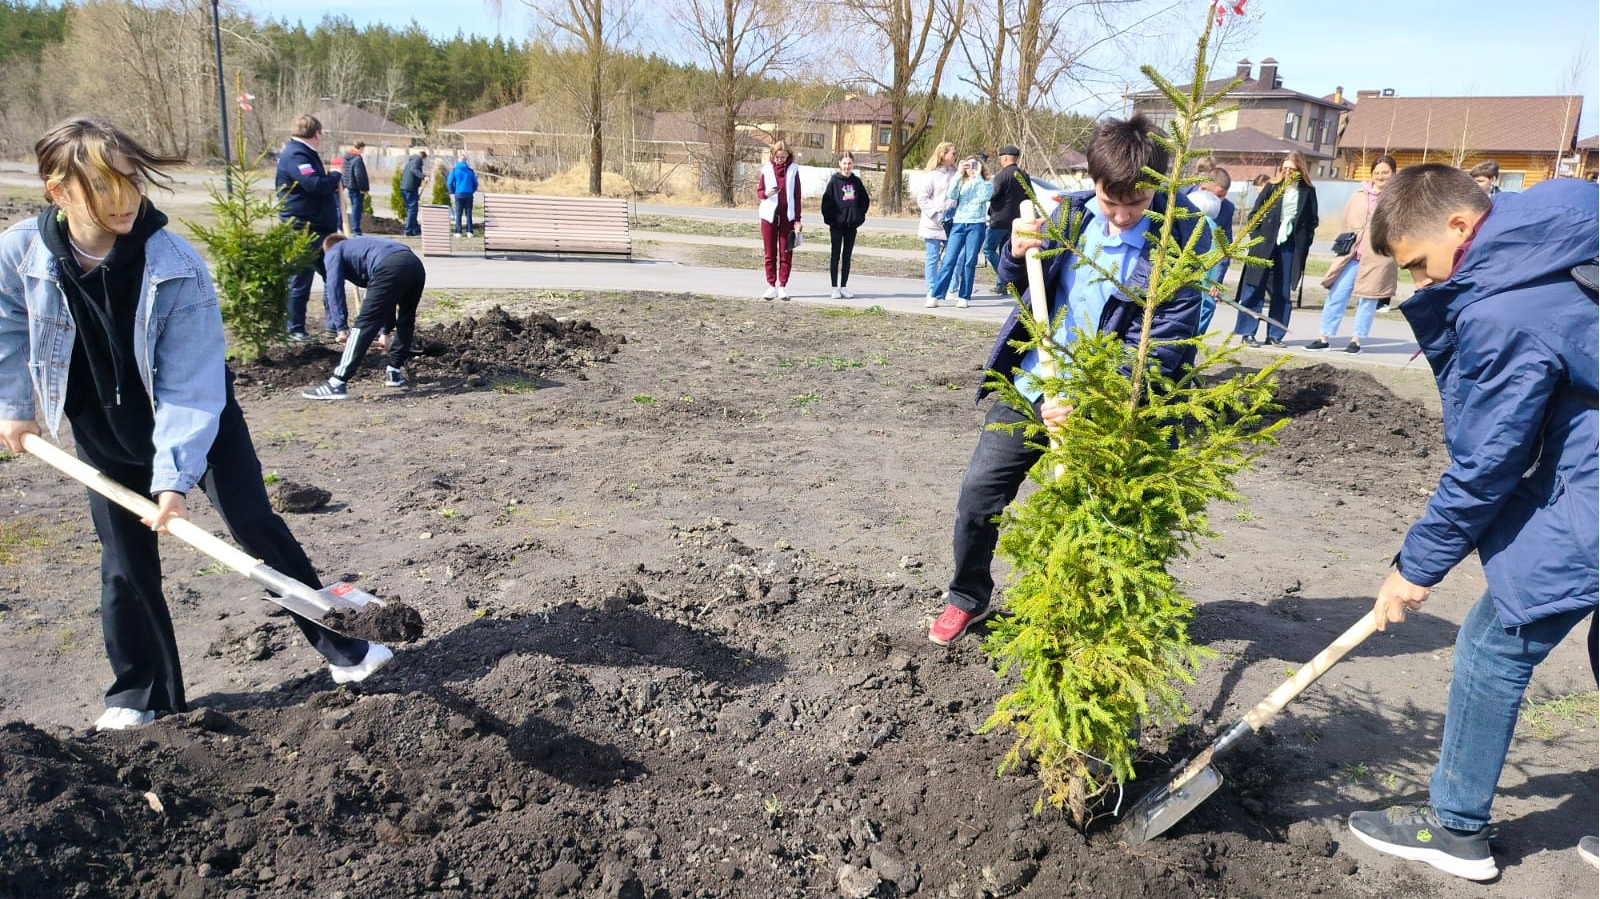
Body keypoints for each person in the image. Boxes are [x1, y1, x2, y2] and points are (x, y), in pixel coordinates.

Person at [0, 118, 395, 731]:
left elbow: (190, 386)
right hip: (99, 427)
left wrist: (174, 480)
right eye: (103, 189)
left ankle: (347, 648)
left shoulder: (174, 263)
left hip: (197, 421)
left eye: (130, 183)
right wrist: (14, 406)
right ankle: (140, 695)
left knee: (254, 526)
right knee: (124, 561)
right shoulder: (19, 250)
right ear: (59, 192)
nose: (125, 201)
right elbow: (10, 326)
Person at [1345, 164, 1598, 881]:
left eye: (1420, 264)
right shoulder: (1559, 216)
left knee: (1496, 639)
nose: (1422, 284)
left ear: (1461, 223)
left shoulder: (1505, 309)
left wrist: (1414, 567)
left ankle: (1455, 828)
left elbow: (1489, 462)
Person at [927, 114, 1209, 644]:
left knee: (1088, 515)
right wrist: (1014, 254)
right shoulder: (1068, 218)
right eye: (1111, 201)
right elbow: (1022, 286)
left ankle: (1081, 615)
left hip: (1105, 407)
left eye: (1137, 205)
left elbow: (1164, 348)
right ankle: (967, 596)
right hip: (1032, 384)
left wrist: (1093, 402)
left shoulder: (1177, 247)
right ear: (1093, 182)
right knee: (977, 495)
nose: (1123, 216)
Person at [302, 234, 426, 400]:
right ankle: (394, 372)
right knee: (406, 320)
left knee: (363, 325)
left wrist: (341, 327)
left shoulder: (333, 250)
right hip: (414, 264)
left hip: (389, 266)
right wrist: (385, 332)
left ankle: (337, 383)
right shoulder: (363, 246)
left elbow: (334, 287)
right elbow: (386, 299)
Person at [1307, 155, 1398, 354]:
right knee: (1337, 295)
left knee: (1368, 299)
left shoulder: (1398, 198)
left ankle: (1356, 341)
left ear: (1393, 174)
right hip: (1352, 254)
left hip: (1378, 256)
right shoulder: (1359, 193)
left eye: (1385, 172)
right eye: (1377, 172)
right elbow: (1345, 218)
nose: (1380, 176)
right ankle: (1324, 337)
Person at [1230, 150, 1318, 347]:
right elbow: (1254, 215)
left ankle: (1275, 334)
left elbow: (1312, 220)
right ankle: (1247, 331)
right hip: (1264, 245)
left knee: (1282, 292)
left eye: (1292, 169)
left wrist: (1304, 241)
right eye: (1285, 168)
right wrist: (1257, 237)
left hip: (1289, 247)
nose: (1287, 172)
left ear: (1300, 170)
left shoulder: (1307, 191)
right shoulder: (1272, 187)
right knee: (1254, 287)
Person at [275, 114, 345, 343]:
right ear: (316, 133)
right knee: (301, 279)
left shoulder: (306, 153)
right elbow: (313, 184)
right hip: (303, 229)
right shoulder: (296, 154)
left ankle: (334, 325)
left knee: (332, 275)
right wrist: (335, 176)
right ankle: (295, 329)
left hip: (319, 228)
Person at [927, 156, 993, 309]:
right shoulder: (961, 181)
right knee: (949, 259)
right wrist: (958, 174)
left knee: (969, 261)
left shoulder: (986, 183)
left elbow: (985, 196)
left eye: (974, 165)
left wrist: (977, 177)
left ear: (980, 167)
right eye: (967, 165)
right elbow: (952, 194)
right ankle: (936, 294)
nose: (970, 168)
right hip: (958, 224)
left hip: (976, 225)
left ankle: (964, 296)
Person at [819, 151, 870, 300]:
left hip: (851, 226)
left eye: (850, 163)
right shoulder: (834, 182)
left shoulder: (856, 182)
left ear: (853, 164)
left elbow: (864, 201)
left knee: (847, 256)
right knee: (835, 255)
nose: (847, 166)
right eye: (845, 163)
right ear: (840, 164)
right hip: (836, 225)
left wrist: (858, 217)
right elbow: (826, 203)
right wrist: (833, 219)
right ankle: (834, 287)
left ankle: (844, 286)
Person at [756, 140, 802, 301]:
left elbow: (797, 196)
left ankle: (783, 286)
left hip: (787, 217)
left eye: (783, 157)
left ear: (788, 156)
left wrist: (797, 219)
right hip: (769, 216)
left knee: (786, 253)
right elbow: (759, 192)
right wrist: (766, 193)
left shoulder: (794, 170)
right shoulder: (767, 169)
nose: (779, 160)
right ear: (773, 155)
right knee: (770, 253)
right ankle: (771, 285)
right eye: (777, 157)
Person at [916, 141, 958, 303]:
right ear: (943, 155)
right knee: (933, 257)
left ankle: (950, 288)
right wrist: (936, 212)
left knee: (954, 256)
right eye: (952, 153)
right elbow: (922, 198)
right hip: (933, 222)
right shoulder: (931, 175)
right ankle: (932, 289)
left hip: (951, 222)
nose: (954, 156)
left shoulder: (955, 174)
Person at [984, 145, 1029, 294]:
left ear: (1004, 158)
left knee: (988, 249)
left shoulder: (1001, 176)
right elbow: (1030, 196)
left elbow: (993, 194)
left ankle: (1006, 278)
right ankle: (1001, 285)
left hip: (999, 220)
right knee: (1005, 252)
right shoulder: (1024, 175)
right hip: (1016, 221)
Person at [446, 152, 479, 238]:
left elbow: (449, 183)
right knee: (468, 213)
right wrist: (472, 191)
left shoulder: (454, 170)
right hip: (468, 193)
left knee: (458, 213)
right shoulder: (470, 171)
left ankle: (458, 231)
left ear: (458, 160)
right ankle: (469, 231)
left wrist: (453, 191)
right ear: (465, 161)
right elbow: (475, 183)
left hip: (459, 193)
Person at [341, 141, 370, 236]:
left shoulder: (347, 157)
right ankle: (356, 230)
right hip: (357, 187)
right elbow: (359, 175)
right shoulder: (357, 159)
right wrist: (363, 188)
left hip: (349, 184)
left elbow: (345, 171)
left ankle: (353, 228)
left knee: (354, 207)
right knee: (356, 208)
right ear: (361, 148)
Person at [399, 150, 427, 236]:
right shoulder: (417, 160)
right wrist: (424, 177)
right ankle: (408, 231)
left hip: (405, 187)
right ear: (423, 157)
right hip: (410, 188)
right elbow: (414, 170)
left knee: (411, 209)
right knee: (412, 209)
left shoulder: (411, 160)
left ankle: (415, 229)